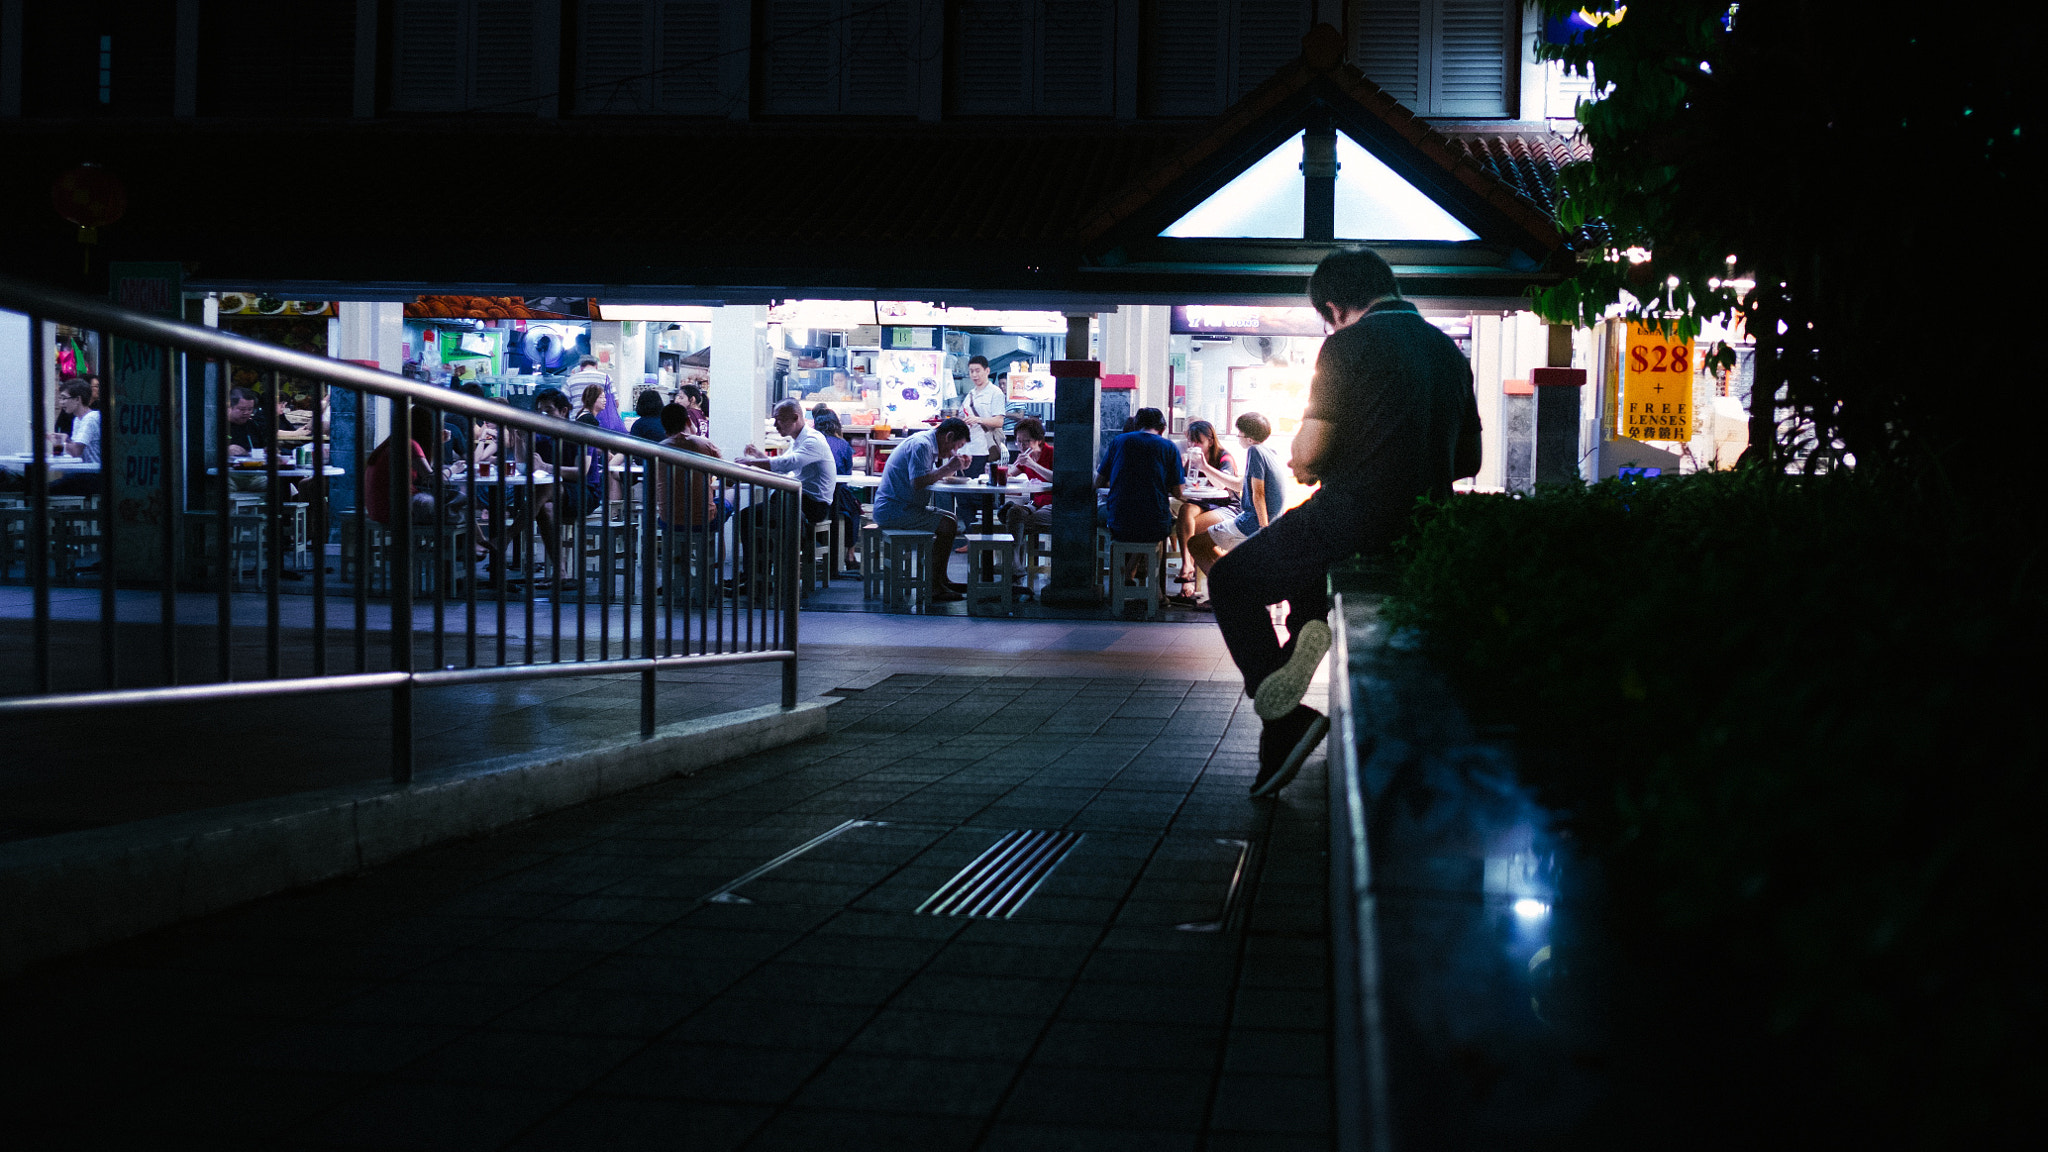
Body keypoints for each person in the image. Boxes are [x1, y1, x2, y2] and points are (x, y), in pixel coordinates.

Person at [1209, 248, 1483, 798]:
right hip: (1421, 524)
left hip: (1349, 513)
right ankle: (1297, 663)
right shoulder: (1447, 351)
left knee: (1230, 581)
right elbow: (1468, 460)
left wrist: (1309, 461)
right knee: (1310, 593)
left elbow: (1310, 453)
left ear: (1333, 307)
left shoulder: (1346, 346)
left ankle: (1285, 715)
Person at [1178, 412, 1286, 609]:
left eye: (1240, 434)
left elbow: (1258, 494)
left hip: (1250, 521)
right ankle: (1234, 586)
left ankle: (1228, 593)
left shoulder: (1255, 452)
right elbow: (1240, 486)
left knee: (1194, 543)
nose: (1238, 437)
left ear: (1249, 438)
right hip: (1260, 520)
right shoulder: (1270, 452)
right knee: (1199, 538)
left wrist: (1264, 530)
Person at [736, 398, 838, 592]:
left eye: (778, 420)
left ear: (795, 417)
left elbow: (789, 463)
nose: (775, 425)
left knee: (749, 515)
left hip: (812, 505)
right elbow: (785, 467)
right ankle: (756, 577)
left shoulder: (812, 440)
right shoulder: (799, 440)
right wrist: (760, 457)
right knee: (753, 515)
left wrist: (751, 463)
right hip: (799, 501)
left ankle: (756, 578)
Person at [871, 416, 972, 603]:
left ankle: (941, 580)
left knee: (950, 519)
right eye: (957, 446)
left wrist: (952, 467)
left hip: (903, 507)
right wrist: (948, 467)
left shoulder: (928, 444)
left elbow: (928, 476)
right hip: (893, 510)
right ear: (948, 436)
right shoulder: (922, 445)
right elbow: (918, 482)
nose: (956, 451)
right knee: (948, 525)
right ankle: (933, 586)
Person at [529, 387, 604, 586]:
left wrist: (545, 466)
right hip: (556, 493)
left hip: (586, 492)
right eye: (540, 411)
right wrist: (519, 434)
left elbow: (581, 472)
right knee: (545, 506)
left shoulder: (579, 432)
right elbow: (525, 463)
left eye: (548, 411)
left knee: (544, 491)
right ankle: (561, 572)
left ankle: (507, 536)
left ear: (563, 411)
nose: (542, 416)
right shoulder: (543, 436)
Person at [1095, 407, 1184, 568]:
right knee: (1157, 528)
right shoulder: (1169, 447)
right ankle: (1153, 587)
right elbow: (1178, 492)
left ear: (1137, 425)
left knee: (1133, 528)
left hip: (1119, 520)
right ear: (1162, 428)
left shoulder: (1119, 441)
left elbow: (1098, 482)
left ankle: (1126, 575)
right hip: (1155, 523)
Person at [1170, 419, 1237, 599]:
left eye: (1198, 441)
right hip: (1202, 503)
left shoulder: (1224, 457)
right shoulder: (1192, 459)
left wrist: (1204, 467)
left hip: (1227, 506)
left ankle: (1189, 580)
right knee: (1186, 511)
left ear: (1211, 441)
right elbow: (1182, 486)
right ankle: (1187, 566)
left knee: (1186, 529)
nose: (1194, 445)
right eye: (1191, 441)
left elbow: (1222, 485)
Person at [1000, 416, 1054, 587]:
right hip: (1035, 504)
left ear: (1039, 440)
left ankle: (1014, 569)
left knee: (1014, 521)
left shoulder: (1051, 453)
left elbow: (1059, 479)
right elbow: (1010, 474)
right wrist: (999, 470)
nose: (1022, 446)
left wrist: (1033, 464)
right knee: (1014, 513)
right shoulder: (1024, 457)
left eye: (1026, 441)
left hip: (1053, 506)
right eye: (1018, 441)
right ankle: (1016, 565)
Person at [815, 410, 866, 570]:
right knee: (855, 510)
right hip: (838, 493)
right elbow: (847, 474)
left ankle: (820, 554)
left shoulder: (813, 441)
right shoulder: (843, 444)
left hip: (816, 495)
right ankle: (850, 555)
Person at [958, 355, 1007, 482]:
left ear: (987, 371)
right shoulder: (970, 394)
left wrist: (978, 419)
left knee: (977, 490)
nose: (974, 374)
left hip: (983, 450)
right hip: (965, 449)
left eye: (977, 370)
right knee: (963, 489)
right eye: (971, 371)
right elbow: (962, 415)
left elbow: (999, 421)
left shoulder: (995, 393)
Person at [225, 387, 269, 456]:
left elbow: (262, 447)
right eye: (242, 409)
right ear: (229, 407)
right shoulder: (215, 426)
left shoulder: (252, 425)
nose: (246, 412)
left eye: (250, 409)